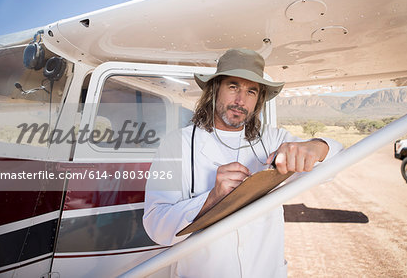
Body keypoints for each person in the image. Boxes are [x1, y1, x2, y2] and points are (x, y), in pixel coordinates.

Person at [143, 48, 343, 277]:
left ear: (259, 99)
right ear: (215, 89)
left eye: (251, 91)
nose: (240, 100)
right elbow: (156, 226)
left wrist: (316, 146)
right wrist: (212, 198)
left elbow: (336, 163)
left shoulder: (273, 140)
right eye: (233, 86)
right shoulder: (176, 144)